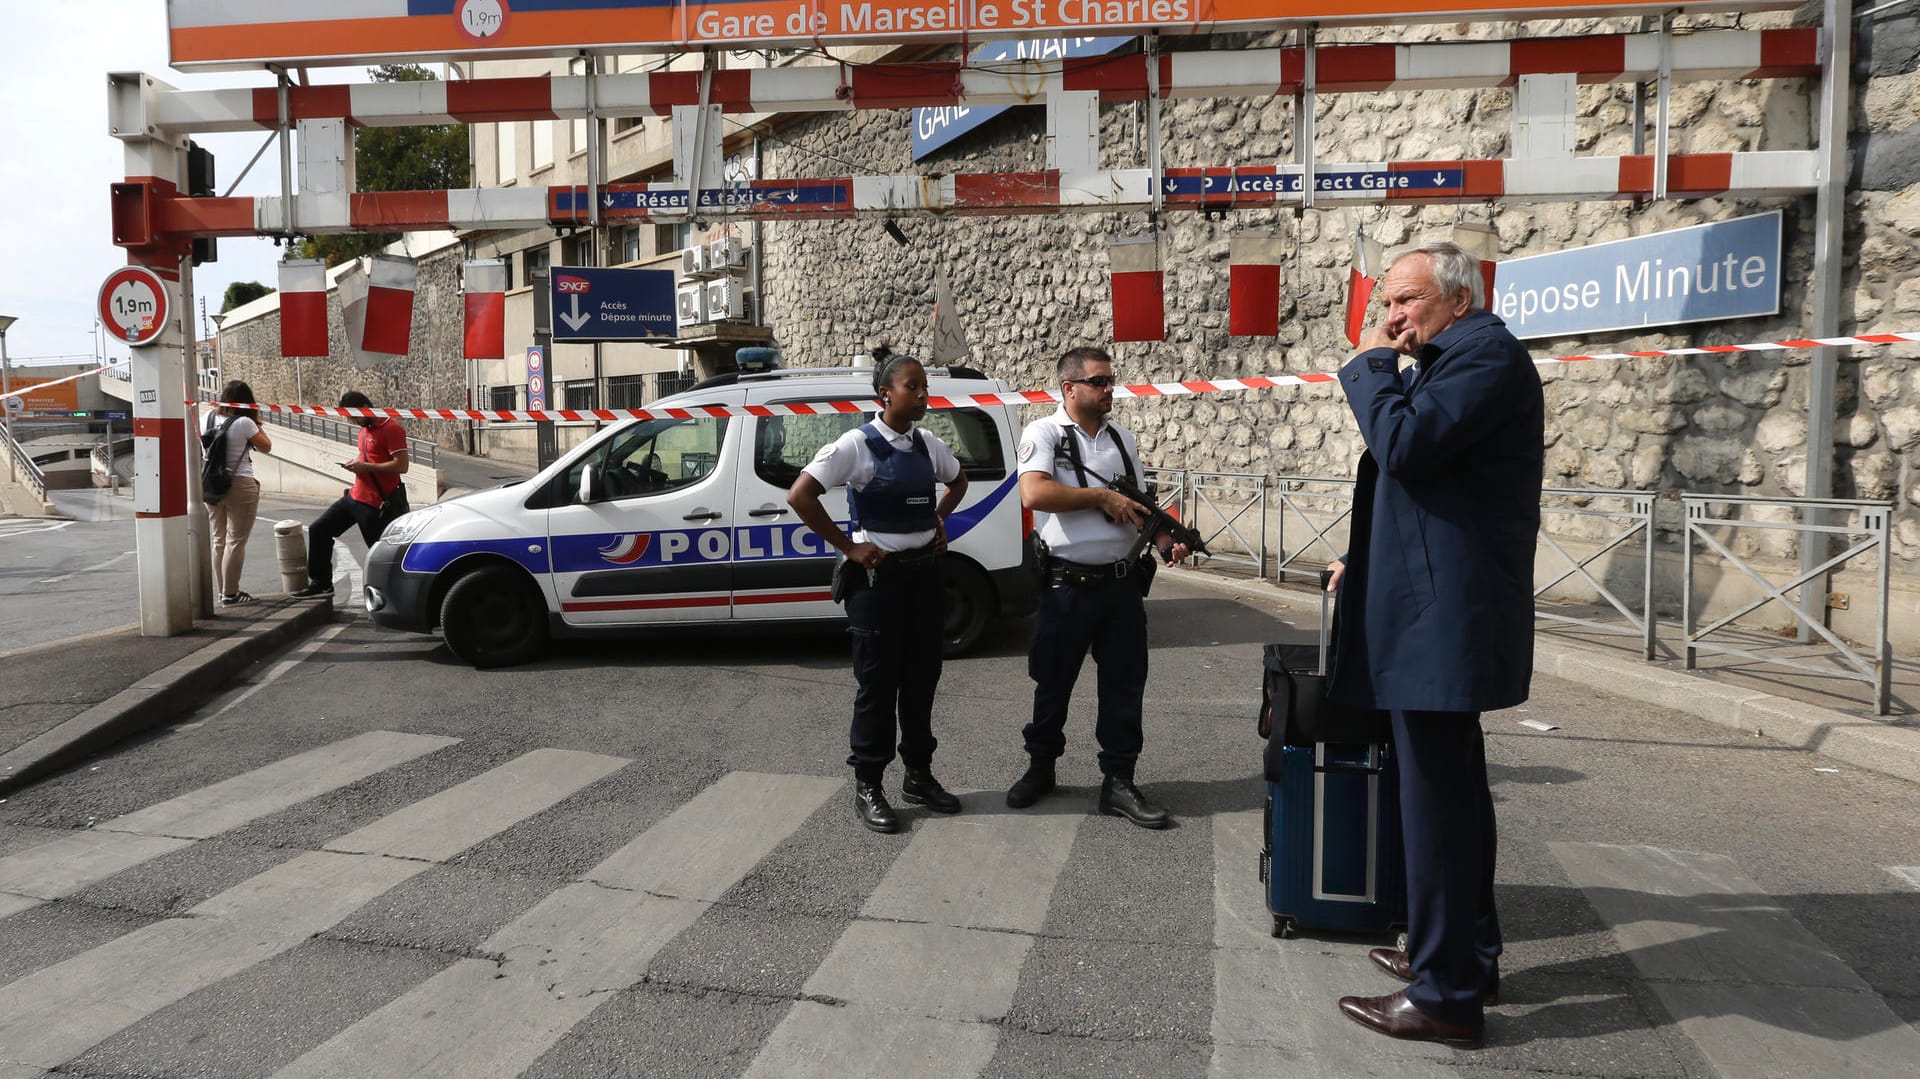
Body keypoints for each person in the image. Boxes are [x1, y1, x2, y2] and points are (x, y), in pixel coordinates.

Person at [1325, 242, 1544, 1047]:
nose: (1390, 319)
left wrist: (1369, 368)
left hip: (1441, 622)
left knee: (1438, 807)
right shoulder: (1467, 354)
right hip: (1436, 613)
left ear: (1458, 298)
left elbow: (1407, 447)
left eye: (1407, 301)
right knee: (1452, 796)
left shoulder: (1482, 356)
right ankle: (1461, 956)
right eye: (1387, 305)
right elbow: (1433, 483)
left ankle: (1447, 994)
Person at [1007, 346, 1191, 829]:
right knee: (1052, 682)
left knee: (1125, 688)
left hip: (1119, 587)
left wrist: (1166, 535)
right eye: (1100, 381)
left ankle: (1119, 781)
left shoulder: (1122, 439)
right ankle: (1041, 767)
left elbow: (1135, 504)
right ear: (1070, 388)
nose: (1110, 389)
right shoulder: (1044, 433)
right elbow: (1034, 492)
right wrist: (1099, 497)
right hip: (1066, 585)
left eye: (1111, 380)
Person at [787, 350, 970, 834]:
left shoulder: (928, 444)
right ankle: (869, 784)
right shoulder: (857, 444)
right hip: (877, 584)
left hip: (924, 577)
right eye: (913, 387)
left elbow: (959, 481)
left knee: (921, 680)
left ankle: (918, 775)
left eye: (925, 387)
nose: (923, 395)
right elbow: (800, 494)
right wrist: (849, 547)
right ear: (884, 394)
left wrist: (938, 521)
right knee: (877, 685)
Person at [289, 391, 410, 599]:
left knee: (379, 552)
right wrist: (355, 464)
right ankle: (321, 583)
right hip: (355, 496)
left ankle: (397, 595)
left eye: (353, 416)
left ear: (365, 407)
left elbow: (402, 465)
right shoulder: (364, 429)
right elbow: (367, 456)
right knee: (319, 529)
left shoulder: (391, 428)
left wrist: (366, 466)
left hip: (375, 504)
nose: (351, 421)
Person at [202, 380, 273, 606]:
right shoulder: (244, 422)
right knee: (236, 541)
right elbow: (266, 446)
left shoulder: (207, 418)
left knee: (218, 540)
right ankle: (231, 594)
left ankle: (224, 591)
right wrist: (254, 421)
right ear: (248, 402)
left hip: (211, 484)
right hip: (240, 482)